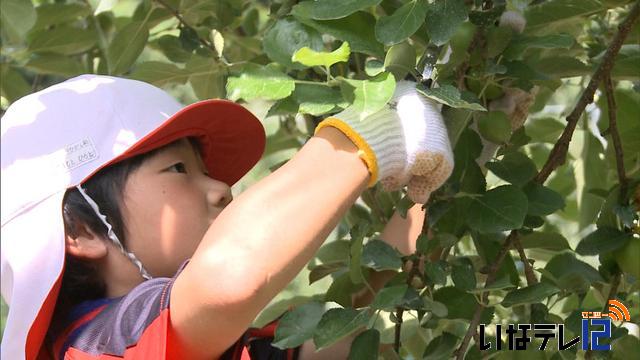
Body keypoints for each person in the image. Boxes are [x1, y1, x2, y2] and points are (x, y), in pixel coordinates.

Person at [1, 74, 453, 359]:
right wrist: (374, 131)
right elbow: (231, 275)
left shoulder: (209, 342)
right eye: (178, 169)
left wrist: (435, 172)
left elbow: (344, 331)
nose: (221, 190)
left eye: (206, 171)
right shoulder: (104, 344)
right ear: (80, 228)